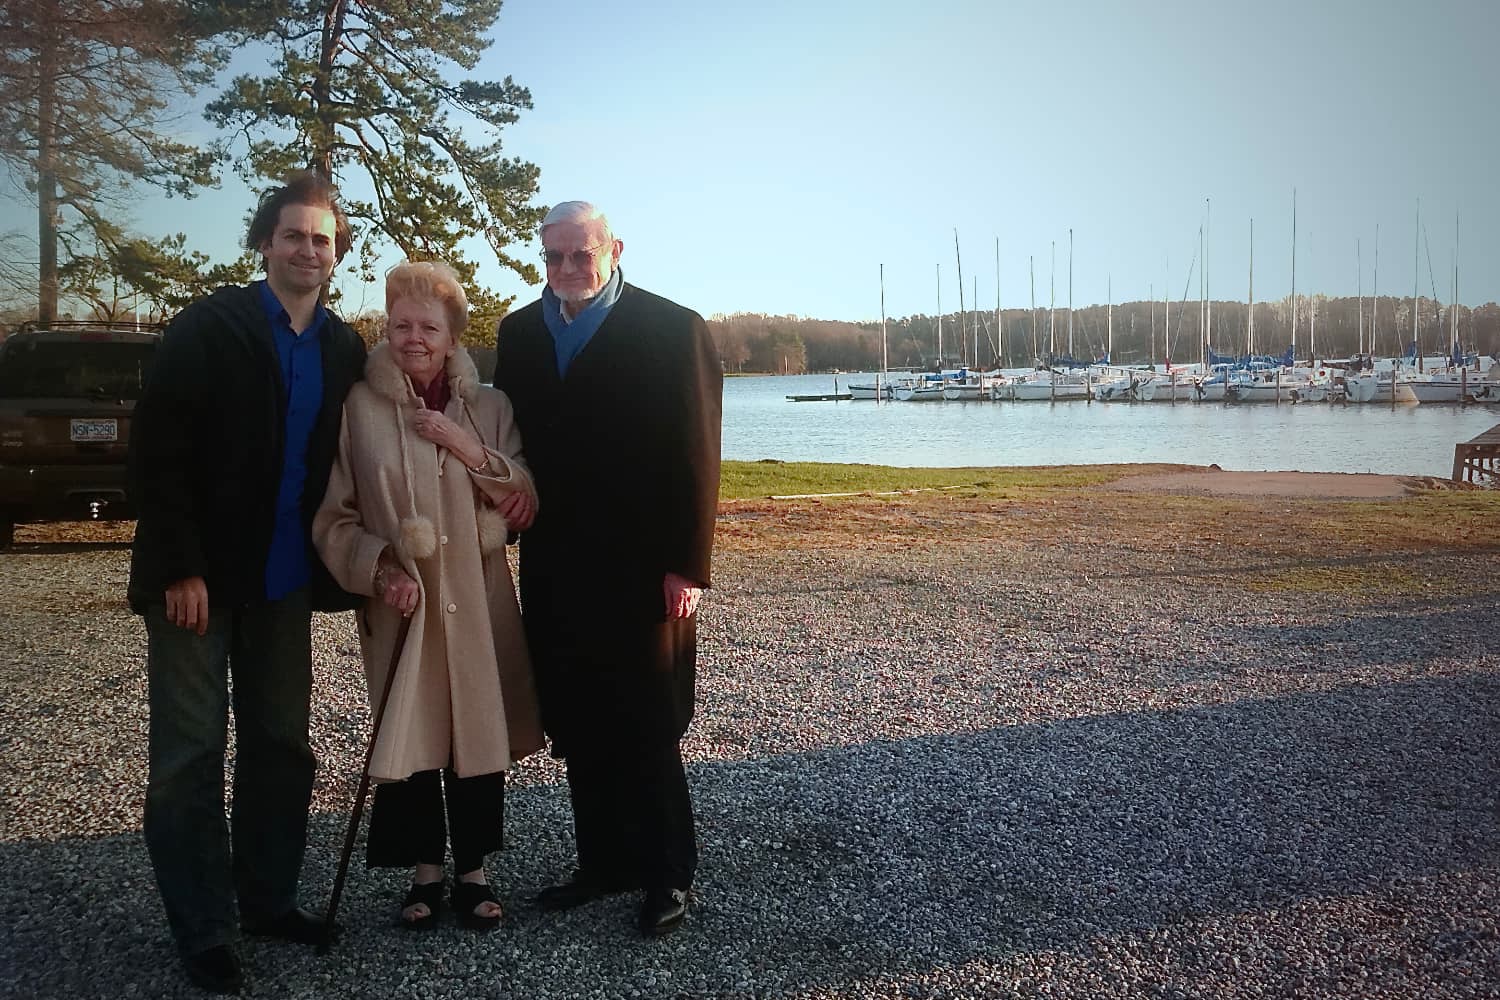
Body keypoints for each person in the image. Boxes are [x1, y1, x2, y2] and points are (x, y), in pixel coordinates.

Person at [126, 171, 368, 994]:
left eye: (323, 239)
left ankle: (265, 900)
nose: (308, 249)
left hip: (284, 581)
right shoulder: (209, 327)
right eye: (294, 234)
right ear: (265, 242)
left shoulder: (342, 347)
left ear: (336, 256)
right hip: (199, 580)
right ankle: (204, 928)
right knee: (190, 756)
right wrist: (178, 567)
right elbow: (158, 455)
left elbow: (369, 447)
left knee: (282, 748)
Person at [493, 201, 722, 937]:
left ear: (613, 249)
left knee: (647, 720)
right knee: (580, 716)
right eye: (552, 257)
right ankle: (603, 863)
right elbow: (509, 442)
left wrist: (687, 566)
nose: (566, 271)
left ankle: (666, 874)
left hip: (643, 564)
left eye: (580, 256)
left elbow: (697, 454)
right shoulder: (520, 332)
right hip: (557, 562)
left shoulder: (672, 328)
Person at [312, 260, 544, 932]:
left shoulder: (490, 407)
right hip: (403, 603)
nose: (412, 337)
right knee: (411, 731)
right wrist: (380, 568)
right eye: (401, 323)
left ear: (452, 336)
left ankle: (473, 870)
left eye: (428, 326)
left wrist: (466, 446)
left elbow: (525, 495)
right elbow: (333, 518)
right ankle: (423, 872)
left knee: (476, 726)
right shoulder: (360, 407)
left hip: (477, 600)